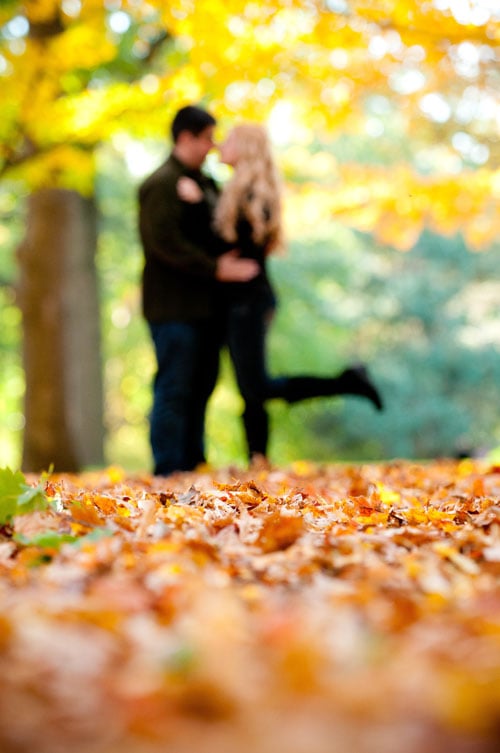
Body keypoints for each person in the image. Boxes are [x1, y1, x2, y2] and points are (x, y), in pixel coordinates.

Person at [182, 123, 383, 462]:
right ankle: (258, 459)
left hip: (248, 299)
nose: (219, 145)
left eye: (228, 140)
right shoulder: (237, 189)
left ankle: (347, 382)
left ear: (245, 148)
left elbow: (239, 248)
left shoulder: (253, 193)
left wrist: (198, 203)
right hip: (240, 299)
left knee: (256, 387)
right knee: (251, 388)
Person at [138, 106, 259, 476]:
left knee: (202, 386)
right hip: (173, 307)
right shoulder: (160, 184)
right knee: (174, 386)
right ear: (186, 137)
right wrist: (216, 269)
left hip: (205, 309)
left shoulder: (203, 184)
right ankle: (168, 467)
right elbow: (163, 242)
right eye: (207, 138)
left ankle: (192, 462)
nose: (212, 146)